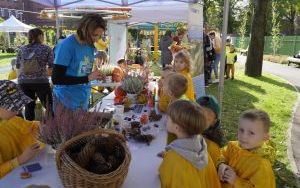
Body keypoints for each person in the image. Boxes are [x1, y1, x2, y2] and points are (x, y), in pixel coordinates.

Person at [159, 100, 221, 188]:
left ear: (177, 127)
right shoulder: (202, 147)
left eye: (168, 118)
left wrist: (170, 157)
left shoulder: (174, 159)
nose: (166, 119)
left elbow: (163, 179)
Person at [52, 14, 106, 111]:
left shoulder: (89, 45)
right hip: (66, 102)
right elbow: (56, 78)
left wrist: (95, 75)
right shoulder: (66, 46)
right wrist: (88, 78)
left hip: (82, 99)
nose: (97, 39)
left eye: (99, 35)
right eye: (94, 35)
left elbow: (82, 72)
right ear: (84, 30)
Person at [217, 109, 276, 188]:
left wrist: (236, 181)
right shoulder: (233, 146)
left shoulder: (262, 166)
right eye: (241, 130)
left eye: (251, 133)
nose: (244, 136)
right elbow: (222, 153)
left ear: (265, 137)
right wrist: (221, 164)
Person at [0, 80, 42, 178]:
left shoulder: (11, 119)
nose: (19, 110)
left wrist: (41, 127)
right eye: (13, 107)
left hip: (19, 172)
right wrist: (20, 159)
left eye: (19, 105)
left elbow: (30, 126)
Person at [15, 28, 53, 121]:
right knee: (48, 107)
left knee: (29, 107)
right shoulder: (46, 48)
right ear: (40, 36)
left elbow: (17, 65)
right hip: (41, 82)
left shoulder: (22, 49)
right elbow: (52, 65)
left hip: (24, 82)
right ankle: (51, 131)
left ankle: (29, 130)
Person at [197, 95, 224, 165]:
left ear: (214, 122)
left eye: (206, 120)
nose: (200, 122)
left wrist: (221, 165)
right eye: (197, 116)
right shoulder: (185, 129)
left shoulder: (213, 146)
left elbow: (218, 161)